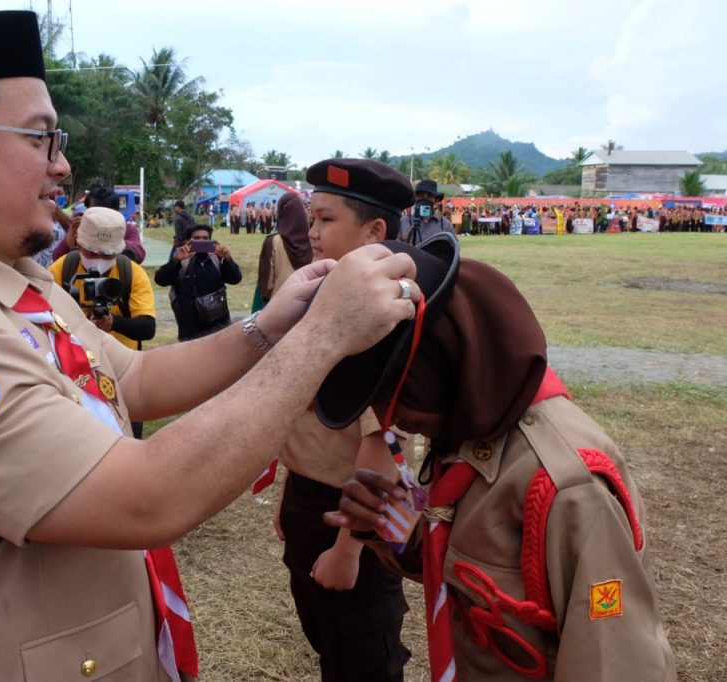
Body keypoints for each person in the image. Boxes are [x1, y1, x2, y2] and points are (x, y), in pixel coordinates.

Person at [0, 12, 422, 682]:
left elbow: (135, 378)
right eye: (40, 138)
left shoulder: (13, 280)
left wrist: (275, 326)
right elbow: (147, 496)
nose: (62, 163)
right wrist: (323, 337)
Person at [323, 245, 677, 682]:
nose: (390, 418)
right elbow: (474, 580)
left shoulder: (565, 484)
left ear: (444, 365)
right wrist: (395, 528)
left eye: (399, 395)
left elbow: (613, 659)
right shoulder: (466, 437)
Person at [273, 158, 416, 682]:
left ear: (375, 231)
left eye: (327, 221)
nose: (311, 233)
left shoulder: (378, 323)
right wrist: (293, 495)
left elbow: (382, 449)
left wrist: (348, 548)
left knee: (364, 651)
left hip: (354, 513)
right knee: (328, 638)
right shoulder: (329, 300)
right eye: (311, 218)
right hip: (312, 499)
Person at [50, 207, 156, 438]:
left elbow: (147, 328)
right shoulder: (61, 269)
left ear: (119, 251)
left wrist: (112, 323)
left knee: (128, 438)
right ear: (78, 244)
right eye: (91, 252)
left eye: (107, 255)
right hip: (73, 374)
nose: (98, 262)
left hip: (122, 373)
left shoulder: (132, 273)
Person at [155, 223, 242, 341]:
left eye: (205, 239)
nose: (201, 241)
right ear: (187, 241)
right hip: (189, 330)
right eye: (196, 239)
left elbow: (235, 279)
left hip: (218, 328)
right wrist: (175, 260)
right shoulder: (181, 261)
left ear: (211, 241)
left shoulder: (217, 259)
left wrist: (228, 260)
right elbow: (160, 280)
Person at [255, 192, 311, 309]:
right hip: (307, 306)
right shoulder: (314, 239)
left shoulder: (273, 241)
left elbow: (266, 286)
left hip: (279, 309)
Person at [400, 180, 454, 245]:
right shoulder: (403, 222)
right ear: (415, 198)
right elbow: (393, 249)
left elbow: (453, 251)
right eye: (420, 195)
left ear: (436, 200)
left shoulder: (445, 225)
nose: (424, 199)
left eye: (429, 196)